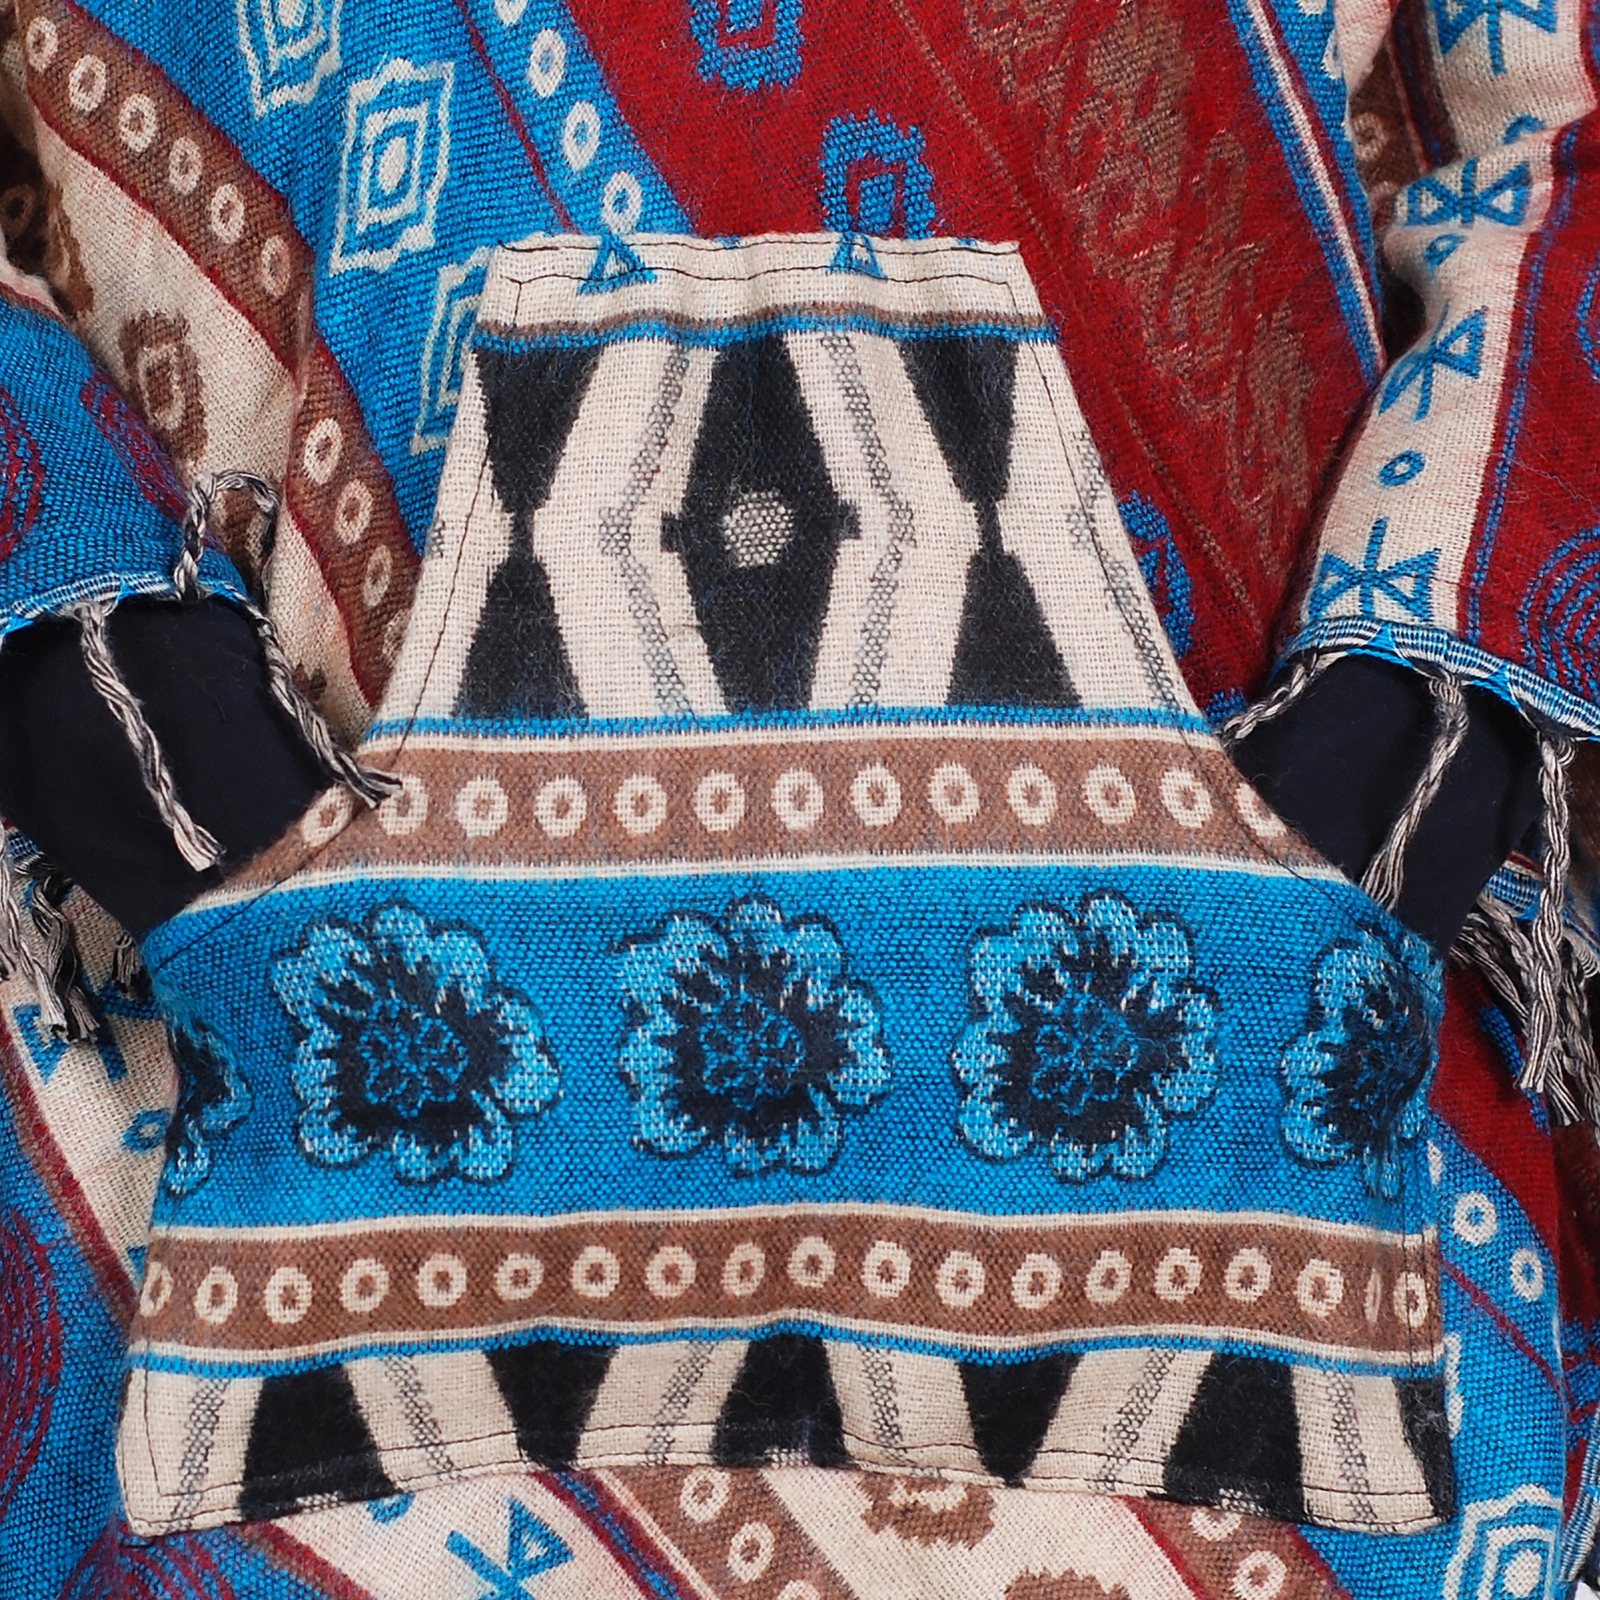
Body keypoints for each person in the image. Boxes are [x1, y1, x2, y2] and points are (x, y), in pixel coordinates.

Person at [0, 2, 1597, 1596]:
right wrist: (119, 704)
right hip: (265, 1014)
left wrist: (1408, 729)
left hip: (1264, 1009)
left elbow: (1559, 119)